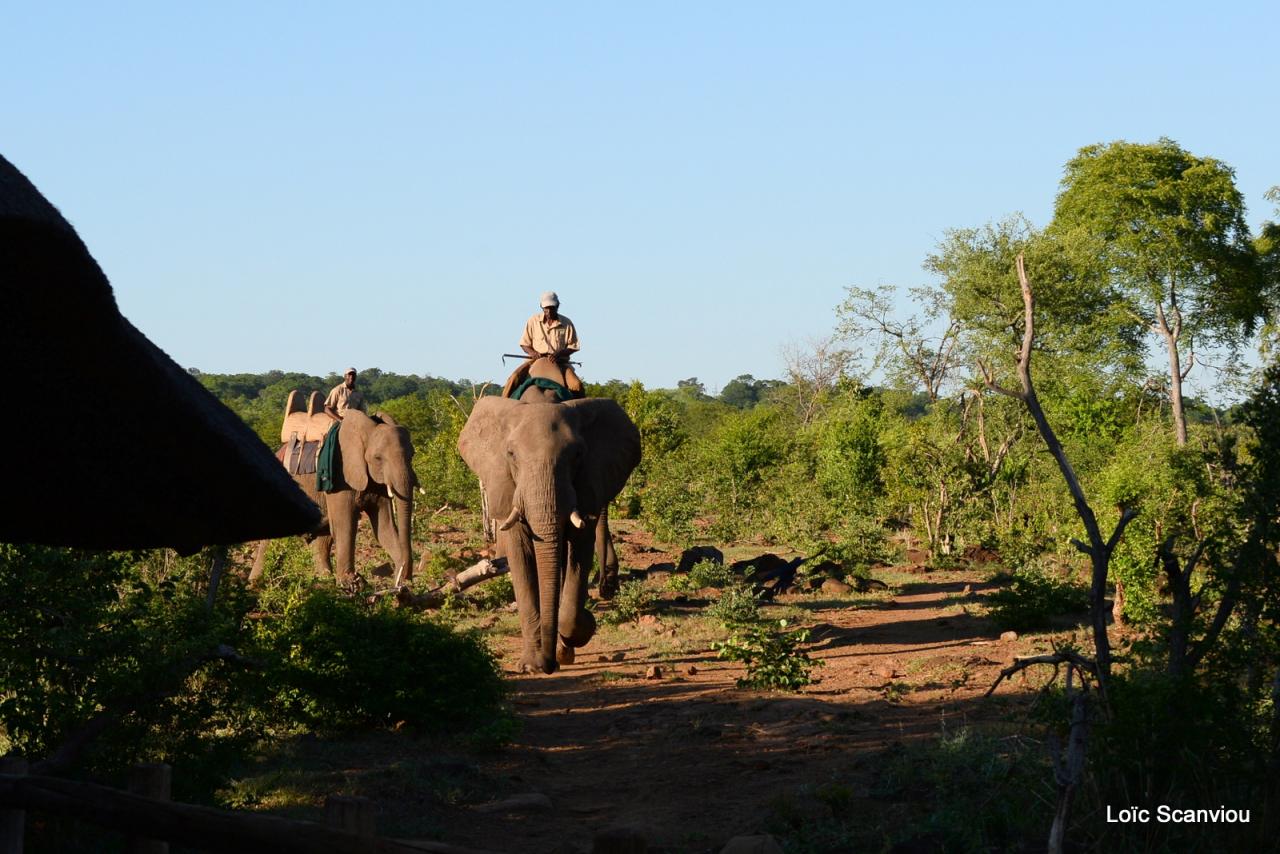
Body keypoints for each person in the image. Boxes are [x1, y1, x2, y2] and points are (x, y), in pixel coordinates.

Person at [516, 291, 583, 394]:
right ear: (541, 307)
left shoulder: (567, 323)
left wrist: (559, 354)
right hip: (534, 362)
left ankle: (581, 409)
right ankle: (503, 407)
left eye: (552, 308)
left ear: (558, 306)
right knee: (513, 379)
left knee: (577, 385)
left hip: (560, 363)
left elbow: (573, 346)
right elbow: (524, 344)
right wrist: (533, 353)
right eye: (546, 308)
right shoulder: (533, 321)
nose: (549, 311)